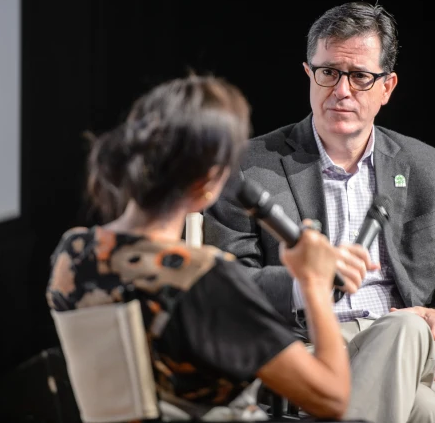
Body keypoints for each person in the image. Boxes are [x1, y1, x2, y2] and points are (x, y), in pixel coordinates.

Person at [203, 2, 435, 423]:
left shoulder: (426, 168)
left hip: (410, 341)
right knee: (424, 408)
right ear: (308, 74)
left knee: (409, 330)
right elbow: (227, 282)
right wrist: (307, 280)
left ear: (387, 86)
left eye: (360, 77)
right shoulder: (249, 167)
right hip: (306, 347)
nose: (342, 91)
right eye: (329, 73)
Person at [46, 75, 352, 420]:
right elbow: (332, 398)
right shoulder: (204, 279)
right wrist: (314, 280)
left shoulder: (71, 254)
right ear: (209, 184)